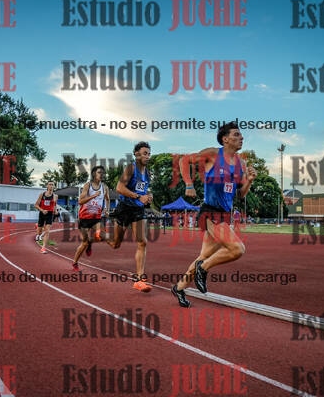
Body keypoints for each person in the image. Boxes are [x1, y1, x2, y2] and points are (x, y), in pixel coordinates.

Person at [171, 121, 257, 307]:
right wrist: (188, 184)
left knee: (203, 256)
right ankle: (203, 269)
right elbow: (184, 160)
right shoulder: (213, 154)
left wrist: (249, 181)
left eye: (241, 135)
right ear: (225, 139)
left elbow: (240, 194)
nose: (241, 137)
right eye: (236, 134)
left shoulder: (241, 163)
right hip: (210, 212)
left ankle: (179, 288)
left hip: (225, 214)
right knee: (237, 249)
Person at [108, 142, 153, 292]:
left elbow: (143, 191)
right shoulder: (131, 168)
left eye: (149, 153)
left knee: (142, 242)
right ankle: (100, 235)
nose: (147, 156)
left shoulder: (147, 173)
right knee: (115, 244)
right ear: (136, 154)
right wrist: (138, 196)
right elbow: (119, 188)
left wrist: (148, 197)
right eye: (144, 153)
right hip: (124, 208)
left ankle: (139, 280)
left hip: (138, 210)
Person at [72, 166, 110, 271]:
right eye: (99, 172)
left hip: (96, 218)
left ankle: (90, 242)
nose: (101, 174)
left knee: (102, 236)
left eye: (103, 173)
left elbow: (107, 199)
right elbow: (80, 201)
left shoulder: (105, 187)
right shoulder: (87, 185)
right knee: (84, 243)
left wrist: (106, 209)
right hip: (84, 218)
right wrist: (93, 196)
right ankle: (75, 262)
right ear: (94, 174)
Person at [35, 181, 58, 253]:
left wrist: (55, 210)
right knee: (39, 232)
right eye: (50, 184)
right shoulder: (42, 194)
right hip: (42, 213)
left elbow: (54, 205)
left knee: (47, 231)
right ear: (47, 186)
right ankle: (37, 226)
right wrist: (42, 210)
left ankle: (43, 248)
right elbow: (36, 205)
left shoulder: (55, 196)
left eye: (52, 185)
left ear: (54, 186)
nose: (51, 186)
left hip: (50, 214)